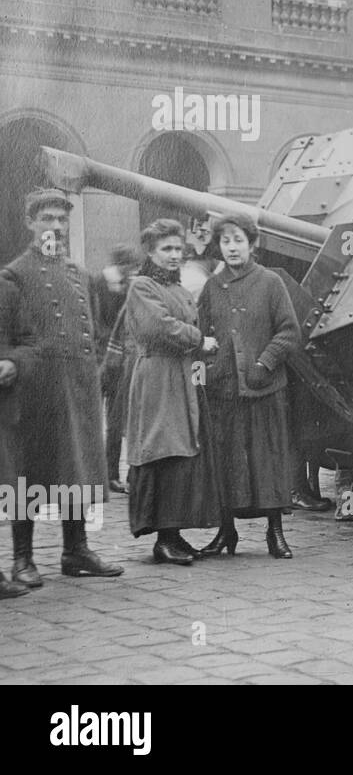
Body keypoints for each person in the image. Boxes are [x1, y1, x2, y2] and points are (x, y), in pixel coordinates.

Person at [2, 190, 122, 583]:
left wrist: (94, 368)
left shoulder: (79, 273)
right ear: (31, 224)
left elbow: (100, 328)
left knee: (77, 469)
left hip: (79, 387)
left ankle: (76, 550)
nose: (55, 226)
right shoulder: (14, 275)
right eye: (47, 218)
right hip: (35, 390)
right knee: (28, 472)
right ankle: (23, 558)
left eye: (61, 219)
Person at [197, 212, 302, 559]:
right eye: (225, 241)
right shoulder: (212, 287)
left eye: (238, 240)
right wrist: (206, 374)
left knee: (267, 461)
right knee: (226, 463)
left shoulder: (271, 282)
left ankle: (276, 533)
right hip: (224, 391)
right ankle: (227, 533)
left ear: (252, 244)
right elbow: (200, 335)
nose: (231, 247)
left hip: (264, 389)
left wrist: (265, 363)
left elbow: (289, 332)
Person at [122, 220, 223, 565]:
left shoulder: (180, 290)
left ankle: (173, 535)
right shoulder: (142, 286)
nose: (174, 255)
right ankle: (163, 540)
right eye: (166, 249)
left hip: (183, 376)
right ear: (150, 252)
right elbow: (158, 327)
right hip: (157, 377)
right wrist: (199, 341)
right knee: (163, 449)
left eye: (178, 249)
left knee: (182, 452)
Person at [92, 243, 141, 494]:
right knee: (94, 418)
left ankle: (111, 474)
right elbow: (94, 321)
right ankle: (98, 475)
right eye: (128, 266)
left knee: (116, 419)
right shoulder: (99, 282)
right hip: (100, 358)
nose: (130, 271)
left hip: (119, 361)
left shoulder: (130, 286)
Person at [0, 276, 37, 598]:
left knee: (10, 483)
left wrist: (13, 362)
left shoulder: (7, 290)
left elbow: (28, 341)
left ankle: (12, 565)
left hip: (3, 406)